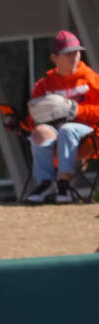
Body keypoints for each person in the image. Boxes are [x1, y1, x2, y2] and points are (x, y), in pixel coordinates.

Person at [25, 31, 99, 203]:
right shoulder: (44, 85)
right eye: (68, 53)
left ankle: (63, 186)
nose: (74, 57)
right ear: (54, 58)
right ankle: (45, 184)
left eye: (77, 52)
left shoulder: (93, 80)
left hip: (89, 137)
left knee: (67, 129)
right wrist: (23, 123)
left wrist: (77, 110)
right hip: (56, 141)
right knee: (40, 131)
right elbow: (33, 120)